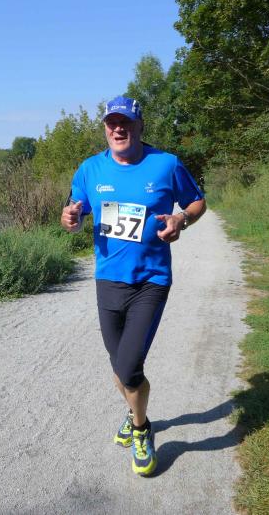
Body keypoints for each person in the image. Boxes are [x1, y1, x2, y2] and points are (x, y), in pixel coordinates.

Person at [60, 96, 206, 476]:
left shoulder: (166, 164)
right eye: (112, 123)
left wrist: (180, 220)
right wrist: (70, 217)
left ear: (140, 126)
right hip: (108, 280)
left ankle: (141, 429)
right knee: (119, 364)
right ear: (105, 128)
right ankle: (133, 410)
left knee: (127, 367)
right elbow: (75, 208)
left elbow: (197, 203)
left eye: (126, 122)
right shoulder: (90, 169)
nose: (118, 128)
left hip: (151, 280)